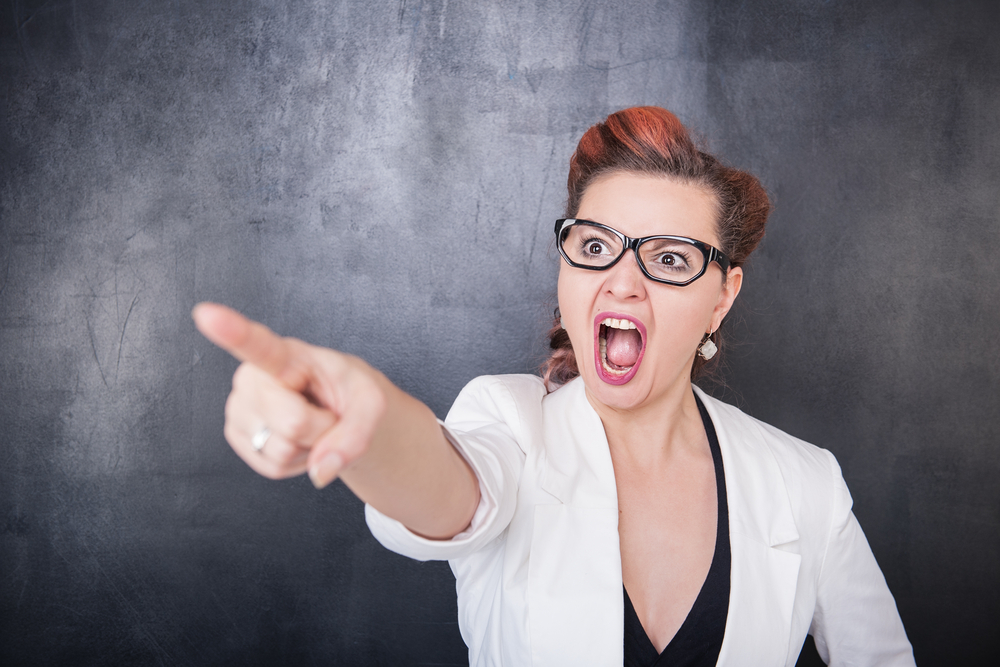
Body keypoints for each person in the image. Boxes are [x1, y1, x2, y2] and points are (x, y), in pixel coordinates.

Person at [193, 107, 915, 666]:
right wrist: (366, 422)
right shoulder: (507, 422)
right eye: (595, 246)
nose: (622, 281)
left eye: (669, 257)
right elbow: (449, 486)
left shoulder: (805, 483)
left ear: (722, 296)